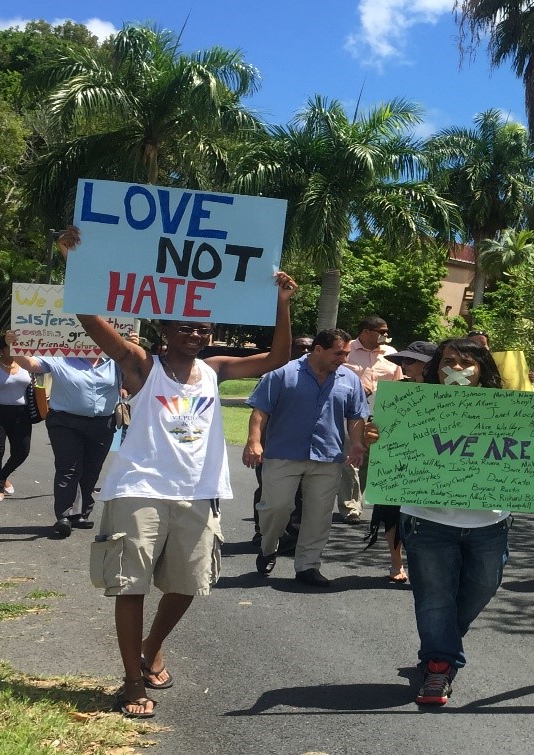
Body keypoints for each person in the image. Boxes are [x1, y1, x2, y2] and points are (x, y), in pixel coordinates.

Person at [59, 225, 299, 719]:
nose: (196, 334)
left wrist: (281, 301)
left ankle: (151, 647)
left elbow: (278, 358)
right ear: (163, 331)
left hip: (198, 493)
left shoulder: (216, 369)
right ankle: (130, 682)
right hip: (138, 490)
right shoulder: (140, 364)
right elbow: (91, 320)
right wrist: (74, 263)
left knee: (188, 584)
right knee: (131, 585)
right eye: (185, 327)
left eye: (202, 329)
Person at [379, 337, 534, 706]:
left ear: (482, 368)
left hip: (489, 523)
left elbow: (531, 451)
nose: (457, 369)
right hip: (426, 519)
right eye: (449, 360)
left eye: (467, 362)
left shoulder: (511, 410)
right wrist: (372, 436)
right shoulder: (410, 404)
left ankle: (444, 641)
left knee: (483, 586)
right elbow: (387, 444)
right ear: (437, 366)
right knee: (434, 599)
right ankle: (438, 666)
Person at [245, 329, 368, 587]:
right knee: (276, 507)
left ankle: (308, 566)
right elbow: (260, 411)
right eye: (338, 353)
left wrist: (356, 444)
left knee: (318, 515)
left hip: (328, 456)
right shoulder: (282, 374)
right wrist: (254, 442)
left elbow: (356, 415)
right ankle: (268, 547)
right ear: (318, 349)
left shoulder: (350, 379)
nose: (344, 359)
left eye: (346, 353)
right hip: (283, 453)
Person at [6, 332, 124, 536]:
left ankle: (81, 513)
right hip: (66, 423)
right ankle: (64, 514)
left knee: (91, 469)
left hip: (102, 424)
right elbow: (31, 364)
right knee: (68, 467)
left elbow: (140, 371)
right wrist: (14, 347)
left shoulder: (115, 362)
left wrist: (131, 346)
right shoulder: (61, 357)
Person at [364, 340, 437, 582]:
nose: (404, 365)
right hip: (398, 461)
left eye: (410, 360)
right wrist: (370, 435)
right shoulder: (393, 392)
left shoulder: (450, 394)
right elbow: (373, 423)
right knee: (392, 512)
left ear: (428, 365)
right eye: (403, 360)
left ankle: (425, 566)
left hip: (436, 464)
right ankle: (396, 564)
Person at [250, 336, 314, 547]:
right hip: (273, 445)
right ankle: (263, 532)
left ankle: (293, 535)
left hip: (306, 447)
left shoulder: (321, 376)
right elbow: (260, 411)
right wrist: (256, 442)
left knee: (301, 494)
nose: (304, 350)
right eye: (299, 347)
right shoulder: (275, 374)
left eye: (308, 347)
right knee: (268, 490)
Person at [337, 316, 402, 524]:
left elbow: (399, 385)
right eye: (381, 331)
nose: (386, 335)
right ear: (365, 332)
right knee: (350, 459)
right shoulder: (347, 351)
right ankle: (350, 506)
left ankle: (357, 500)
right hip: (350, 415)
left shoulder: (392, 355)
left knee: (368, 461)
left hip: (379, 416)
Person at [0, 336, 33, 503]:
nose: (15, 350)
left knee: (22, 451)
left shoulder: (26, 365)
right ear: (2, 350)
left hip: (22, 413)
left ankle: (2, 476)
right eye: (10, 347)